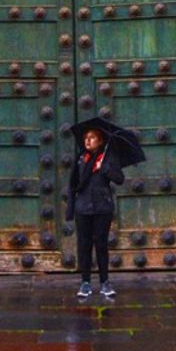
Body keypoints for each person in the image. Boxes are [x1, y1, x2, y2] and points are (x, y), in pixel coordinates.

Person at [66, 126, 124, 300]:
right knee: (84, 245)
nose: (87, 141)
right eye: (86, 138)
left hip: (102, 208)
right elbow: (74, 183)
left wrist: (105, 168)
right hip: (83, 208)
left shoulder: (108, 158)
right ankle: (85, 282)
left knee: (101, 245)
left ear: (100, 141)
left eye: (92, 138)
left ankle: (105, 282)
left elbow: (120, 179)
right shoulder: (81, 158)